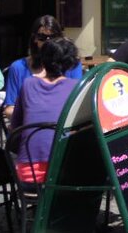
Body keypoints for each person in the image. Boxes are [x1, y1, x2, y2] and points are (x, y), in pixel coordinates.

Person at [9, 37, 79, 183]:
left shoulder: (28, 84)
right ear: (71, 63)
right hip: (63, 175)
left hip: (28, 175)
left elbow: (15, 128)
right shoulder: (76, 87)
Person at [3, 15, 82, 120]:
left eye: (53, 37)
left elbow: (78, 102)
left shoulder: (72, 65)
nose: (48, 42)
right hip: (30, 126)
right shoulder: (18, 68)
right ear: (35, 38)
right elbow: (9, 109)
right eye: (42, 37)